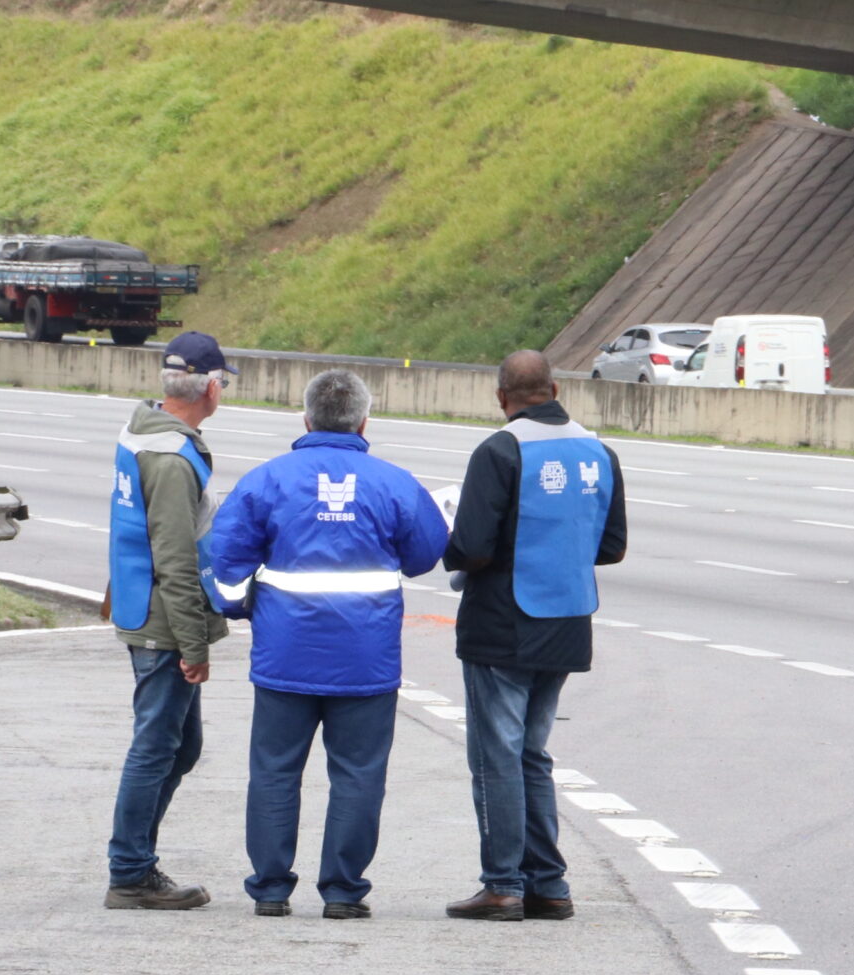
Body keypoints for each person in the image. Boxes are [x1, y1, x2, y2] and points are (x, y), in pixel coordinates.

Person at [207, 368, 450, 920]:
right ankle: (342, 891)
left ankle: (270, 888)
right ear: (365, 421)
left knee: (274, 770)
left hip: (284, 656)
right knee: (359, 775)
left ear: (306, 418)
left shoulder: (266, 481)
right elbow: (423, 555)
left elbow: (225, 568)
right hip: (366, 661)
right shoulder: (393, 483)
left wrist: (241, 607)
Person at [442, 349, 627, 922]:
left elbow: (470, 547)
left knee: (496, 757)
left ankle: (502, 884)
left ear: (502, 398)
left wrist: (448, 541)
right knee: (531, 755)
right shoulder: (600, 452)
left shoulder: (501, 450)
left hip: (503, 624)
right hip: (568, 621)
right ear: (555, 388)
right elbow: (612, 546)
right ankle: (548, 884)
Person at [104, 331, 235, 911]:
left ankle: (137, 863)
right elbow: (177, 562)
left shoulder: (143, 430)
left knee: (180, 747)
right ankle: (130, 871)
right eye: (223, 382)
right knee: (158, 747)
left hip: (142, 606)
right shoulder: (174, 459)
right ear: (210, 386)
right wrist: (194, 645)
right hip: (163, 621)